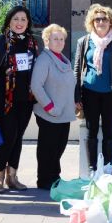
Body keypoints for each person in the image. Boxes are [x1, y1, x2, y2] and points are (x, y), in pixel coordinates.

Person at [0, 5, 39, 193]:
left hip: (26, 99)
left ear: (28, 22)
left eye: (23, 19)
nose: (19, 23)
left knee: (18, 137)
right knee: (9, 136)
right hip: (4, 100)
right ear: (9, 21)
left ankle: (12, 177)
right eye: (16, 19)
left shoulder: (32, 43)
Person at [74, 4, 112, 171]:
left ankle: (107, 167)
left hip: (111, 94)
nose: (101, 22)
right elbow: (77, 69)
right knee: (91, 131)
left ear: (111, 22)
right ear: (92, 22)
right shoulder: (84, 41)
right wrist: (76, 95)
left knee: (108, 130)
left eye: (104, 19)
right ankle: (93, 168)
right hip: (89, 92)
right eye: (97, 19)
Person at [30, 24, 77, 190]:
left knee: (59, 147)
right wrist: (50, 107)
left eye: (61, 39)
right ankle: (44, 180)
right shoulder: (44, 60)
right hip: (49, 113)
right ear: (46, 41)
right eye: (55, 39)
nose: (59, 42)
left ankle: (55, 177)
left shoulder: (63, 60)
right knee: (47, 148)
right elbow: (36, 86)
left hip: (64, 114)